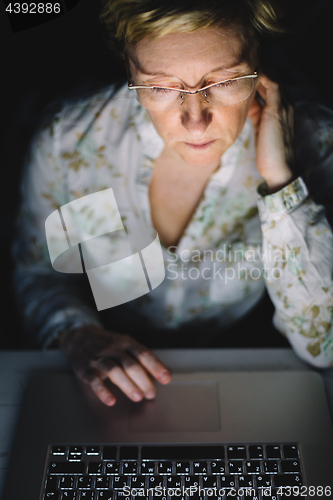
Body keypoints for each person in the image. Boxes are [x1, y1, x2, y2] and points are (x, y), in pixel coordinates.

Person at [13, 0, 333, 407]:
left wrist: (282, 182)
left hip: (248, 371)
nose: (195, 120)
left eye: (222, 81)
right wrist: (76, 333)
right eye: (161, 87)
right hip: (104, 387)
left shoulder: (318, 143)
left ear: (257, 61)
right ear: (130, 69)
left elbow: (324, 347)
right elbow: (41, 274)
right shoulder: (67, 144)